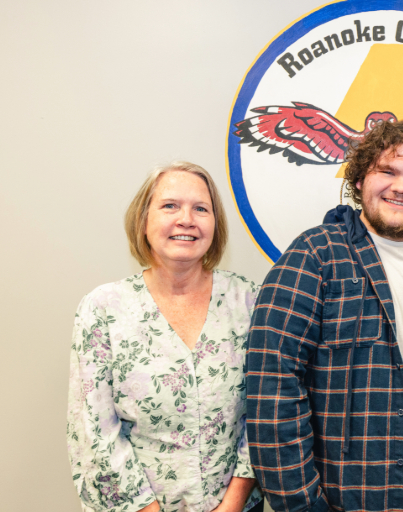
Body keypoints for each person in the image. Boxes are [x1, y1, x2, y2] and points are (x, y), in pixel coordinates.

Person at [246, 120, 403, 512]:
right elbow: (272, 388)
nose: (401, 186)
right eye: (387, 171)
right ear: (361, 178)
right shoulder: (316, 256)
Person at [67, 162, 263, 512]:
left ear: (214, 226)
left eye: (201, 209)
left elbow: (267, 412)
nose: (186, 219)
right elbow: (93, 430)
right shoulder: (103, 309)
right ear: (143, 221)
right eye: (170, 205)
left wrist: (232, 505)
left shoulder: (249, 300)